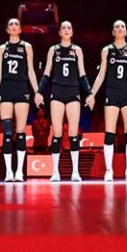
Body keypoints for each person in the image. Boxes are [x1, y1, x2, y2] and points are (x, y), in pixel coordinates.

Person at [86, 20, 127, 181]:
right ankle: (109, 170)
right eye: (117, 27)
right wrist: (92, 94)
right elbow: (101, 74)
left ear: (126, 32)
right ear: (113, 32)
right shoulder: (107, 50)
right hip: (112, 92)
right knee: (110, 132)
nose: (120, 28)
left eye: (123, 26)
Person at [35, 20, 92, 181]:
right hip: (57, 92)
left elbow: (82, 74)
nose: (66, 30)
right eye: (64, 28)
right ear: (59, 32)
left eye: (69, 28)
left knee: (73, 132)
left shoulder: (77, 50)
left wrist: (90, 93)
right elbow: (46, 73)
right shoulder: (53, 50)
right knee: (57, 132)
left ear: (72, 32)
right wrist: (39, 92)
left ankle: (75, 172)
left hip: (73, 92)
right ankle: (55, 171)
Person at [0, 18, 40, 182]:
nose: (14, 26)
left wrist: (37, 92)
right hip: (6, 89)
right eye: (11, 24)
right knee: (7, 133)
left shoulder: (27, 47)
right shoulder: (2, 48)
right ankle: (8, 171)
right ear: (7, 30)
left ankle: (19, 171)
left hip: (21, 88)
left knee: (20, 132)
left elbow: (31, 71)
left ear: (20, 30)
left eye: (16, 24)